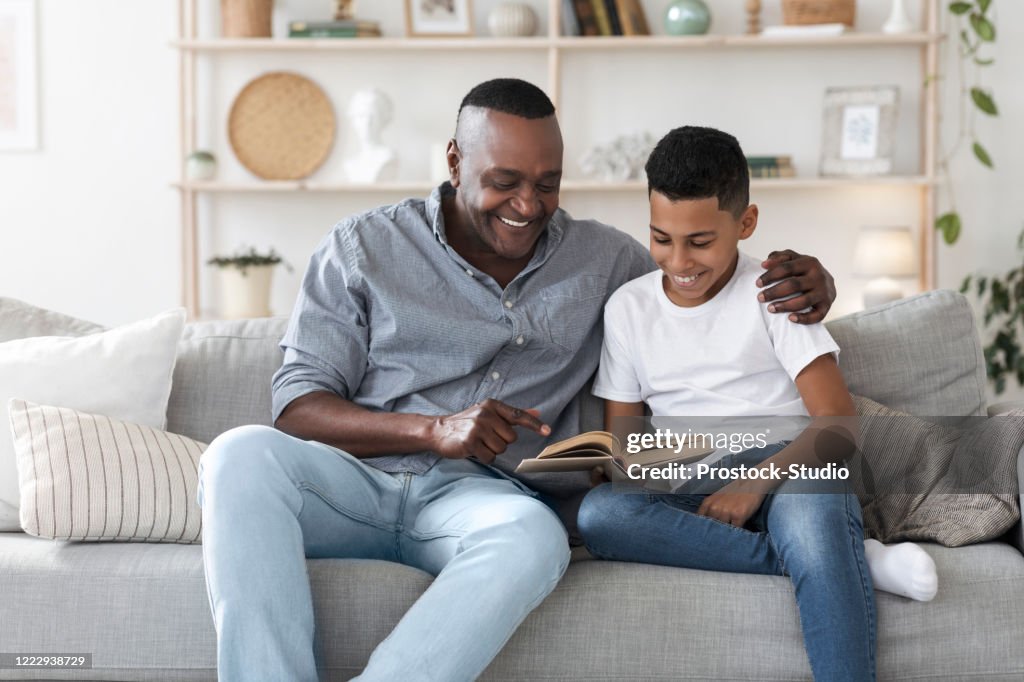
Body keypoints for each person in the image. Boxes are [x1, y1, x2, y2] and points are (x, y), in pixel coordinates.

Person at [196, 79, 840, 681]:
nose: (528, 205)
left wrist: (810, 280)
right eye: (504, 181)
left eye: (547, 184)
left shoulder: (607, 260)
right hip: (353, 487)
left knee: (537, 539)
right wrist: (433, 429)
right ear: (454, 160)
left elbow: (699, 276)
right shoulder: (362, 248)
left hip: (482, 504)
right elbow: (297, 409)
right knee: (238, 455)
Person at [576, 126, 938, 682]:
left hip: (792, 463)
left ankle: (824, 554)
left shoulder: (774, 293)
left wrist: (752, 485)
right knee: (601, 515)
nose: (679, 261)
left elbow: (838, 426)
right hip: (695, 474)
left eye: (700, 241)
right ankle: (847, 560)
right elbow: (627, 447)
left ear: (745, 224)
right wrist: (619, 467)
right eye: (661, 238)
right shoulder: (628, 309)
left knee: (815, 522)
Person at [343, 88, 398, 183]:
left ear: (383, 119)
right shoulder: (351, 163)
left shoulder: (388, 158)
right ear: (353, 119)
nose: (367, 122)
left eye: (372, 116)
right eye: (361, 115)